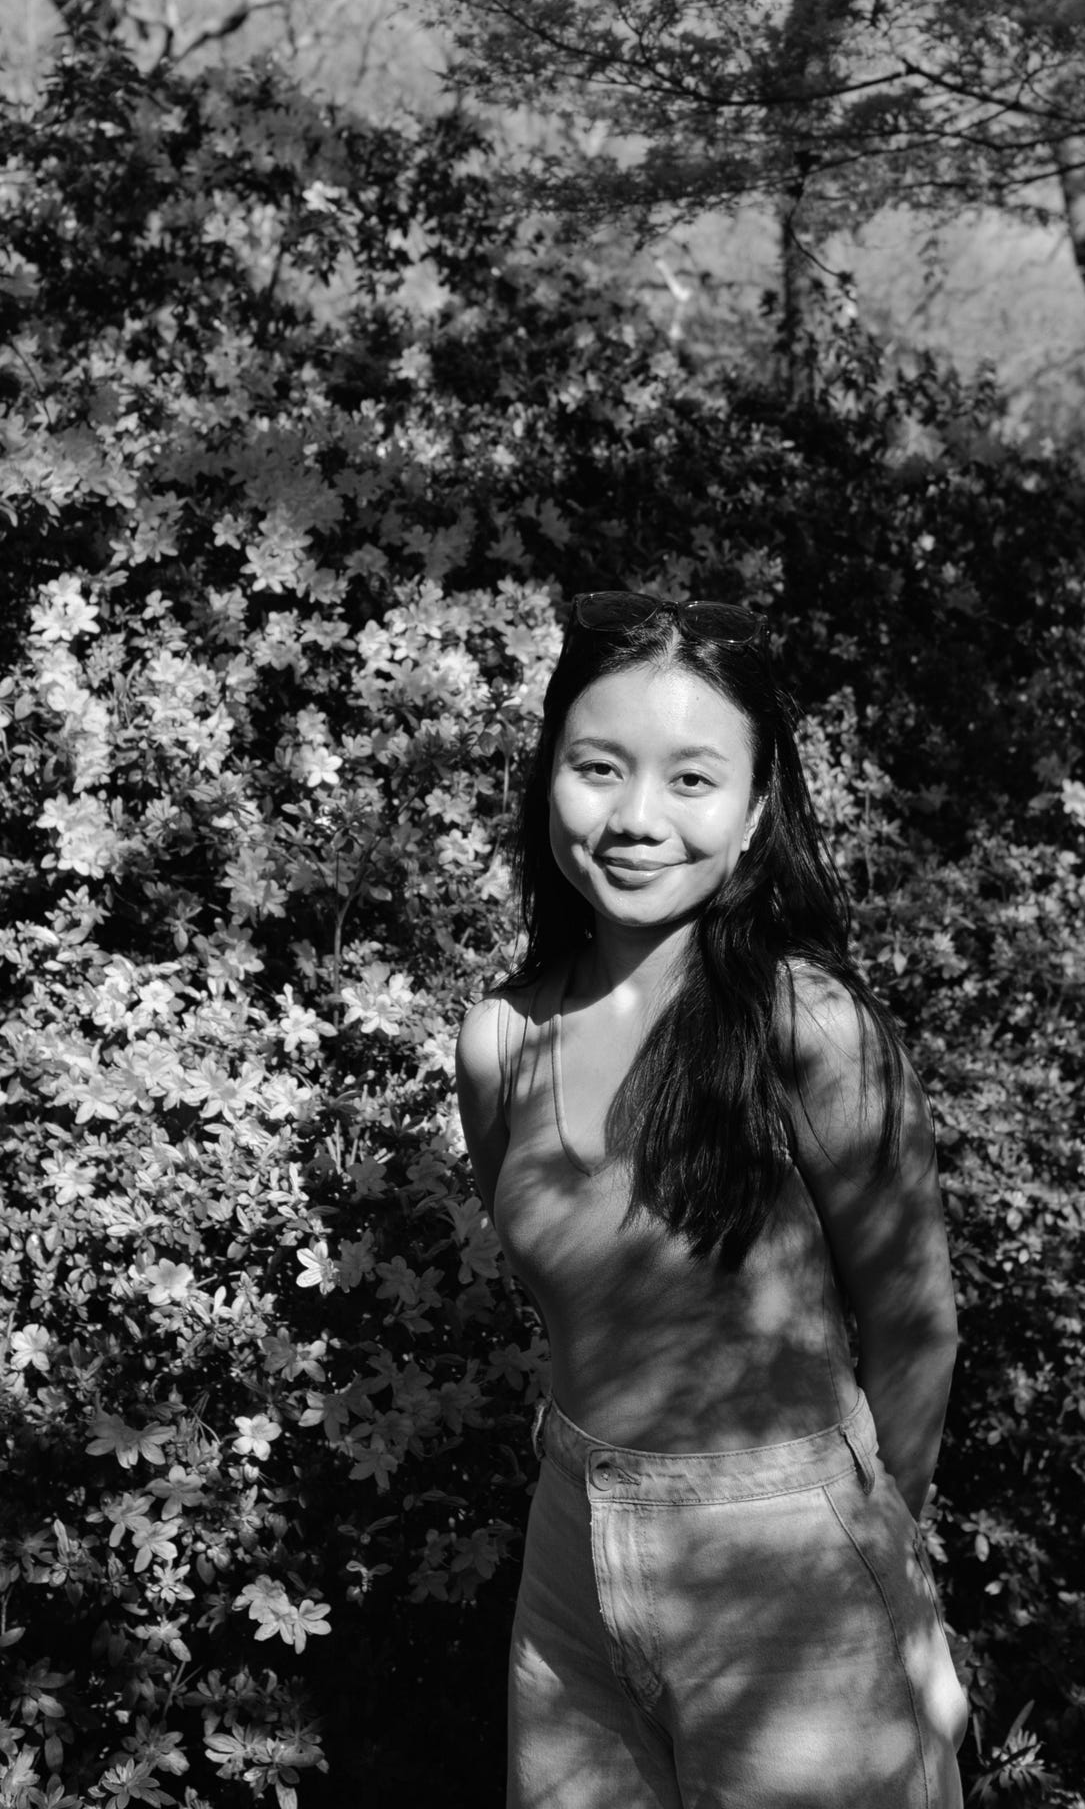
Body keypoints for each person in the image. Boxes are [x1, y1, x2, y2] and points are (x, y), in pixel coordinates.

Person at [456, 592, 969, 1809]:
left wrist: (879, 1577)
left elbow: (915, 1329)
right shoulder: (499, 1041)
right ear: (547, 778)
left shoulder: (808, 1027)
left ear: (751, 815)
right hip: (570, 1558)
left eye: (692, 779)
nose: (637, 817)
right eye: (598, 767)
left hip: (792, 1572)